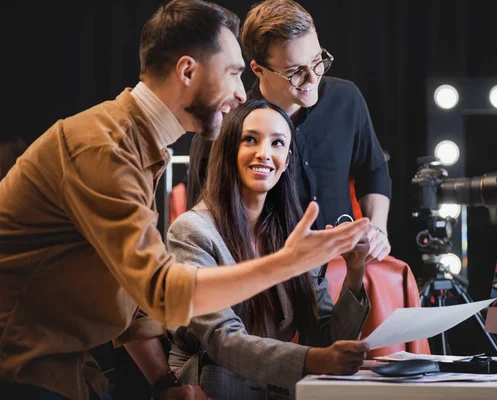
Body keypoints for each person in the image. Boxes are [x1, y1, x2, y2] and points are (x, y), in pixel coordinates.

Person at [0, 1, 371, 399]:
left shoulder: (137, 146)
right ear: (187, 71)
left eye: (279, 143)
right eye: (232, 73)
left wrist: (164, 383)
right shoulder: (105, 149)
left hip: (68, 370)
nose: (236, 95)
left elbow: (132, 295)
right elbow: (164, 295)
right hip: (22, 370)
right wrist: (288, 263)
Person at [166, 98, 371, 400]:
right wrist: (311, 360)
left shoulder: (294, 233)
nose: (264, 154)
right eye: (250, 139)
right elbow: (222, 339)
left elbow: (327, 339)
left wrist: (356, 270)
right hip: (211, 390)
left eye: (277, 143)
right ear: (227, 149)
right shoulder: (191, 231)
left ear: (287, 160)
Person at [240, 0, 392, 265]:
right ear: (258, 69)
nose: (313, 79)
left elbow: (373, 171)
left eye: (317, 61)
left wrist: (377, 229)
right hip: (269, 274)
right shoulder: (235, 122)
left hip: (344, 267)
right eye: (295, 72)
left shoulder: (346, 99)